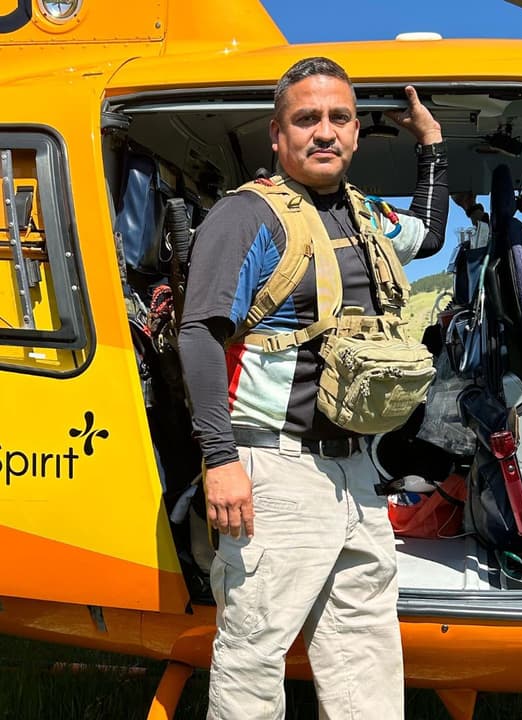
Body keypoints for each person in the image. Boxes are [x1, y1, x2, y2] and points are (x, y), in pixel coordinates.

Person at [177, 56, 449, 719]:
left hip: (355, 475)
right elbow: (197, 335)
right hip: (273, 467)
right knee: (253, 660)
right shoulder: (248, 217)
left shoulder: (365, 218)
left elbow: (432, 232)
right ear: (278, 135)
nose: (324, 132)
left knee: (365, 659)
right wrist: (221, 462)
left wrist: (432, 148)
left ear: (356, 133)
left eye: (339, 118)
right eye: (306, 119)